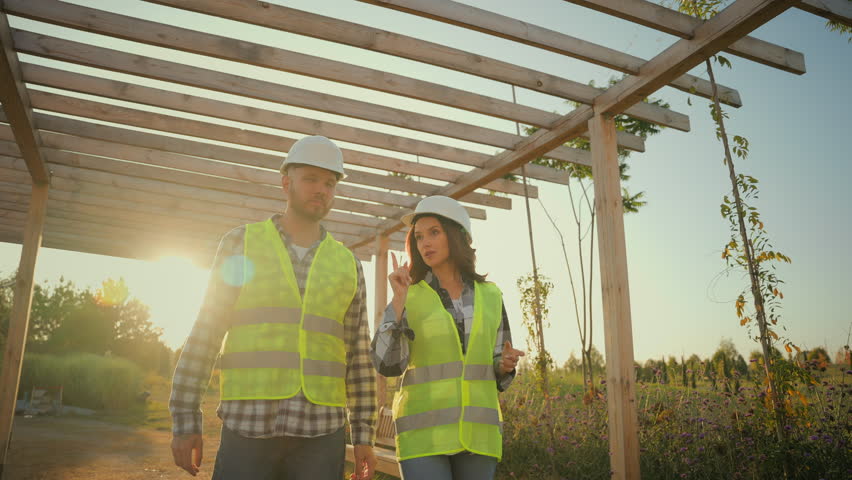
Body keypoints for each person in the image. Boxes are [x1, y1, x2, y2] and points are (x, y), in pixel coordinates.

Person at [169, 135, 377, 480]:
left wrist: (364, 433)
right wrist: (184, 418)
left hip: (321, 433)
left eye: (329, 182)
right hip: (249, 423)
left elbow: (358, 354)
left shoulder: (347, 264)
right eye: (310, 179)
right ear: (286, 183)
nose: (321, 190)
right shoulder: (240, 243)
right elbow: (208, 329)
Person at [371, 195, 525, 480]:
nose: (425, 243)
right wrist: (399, 302)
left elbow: (496, 360)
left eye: (434, 233)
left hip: (479, 435)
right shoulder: (409, 294)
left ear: (457, 237)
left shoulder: (491, 295)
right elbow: (385, 363)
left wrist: (504, 364)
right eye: (418, 237)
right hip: (422, 436)